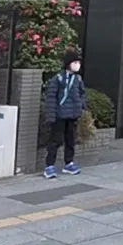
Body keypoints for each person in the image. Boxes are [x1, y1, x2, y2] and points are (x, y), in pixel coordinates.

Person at [42, 50, 86, 179]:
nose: (77, 65)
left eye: (78, 62)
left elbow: (81, 94)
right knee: (55, 140)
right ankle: (49, 166)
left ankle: (69, 163)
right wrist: (51, 115)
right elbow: (51, 98)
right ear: (68, 64)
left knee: (70, 140)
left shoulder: (78, 79)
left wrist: (81, 107)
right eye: (75, 62)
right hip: (59, 115)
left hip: (72, 115)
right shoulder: (58, 79)